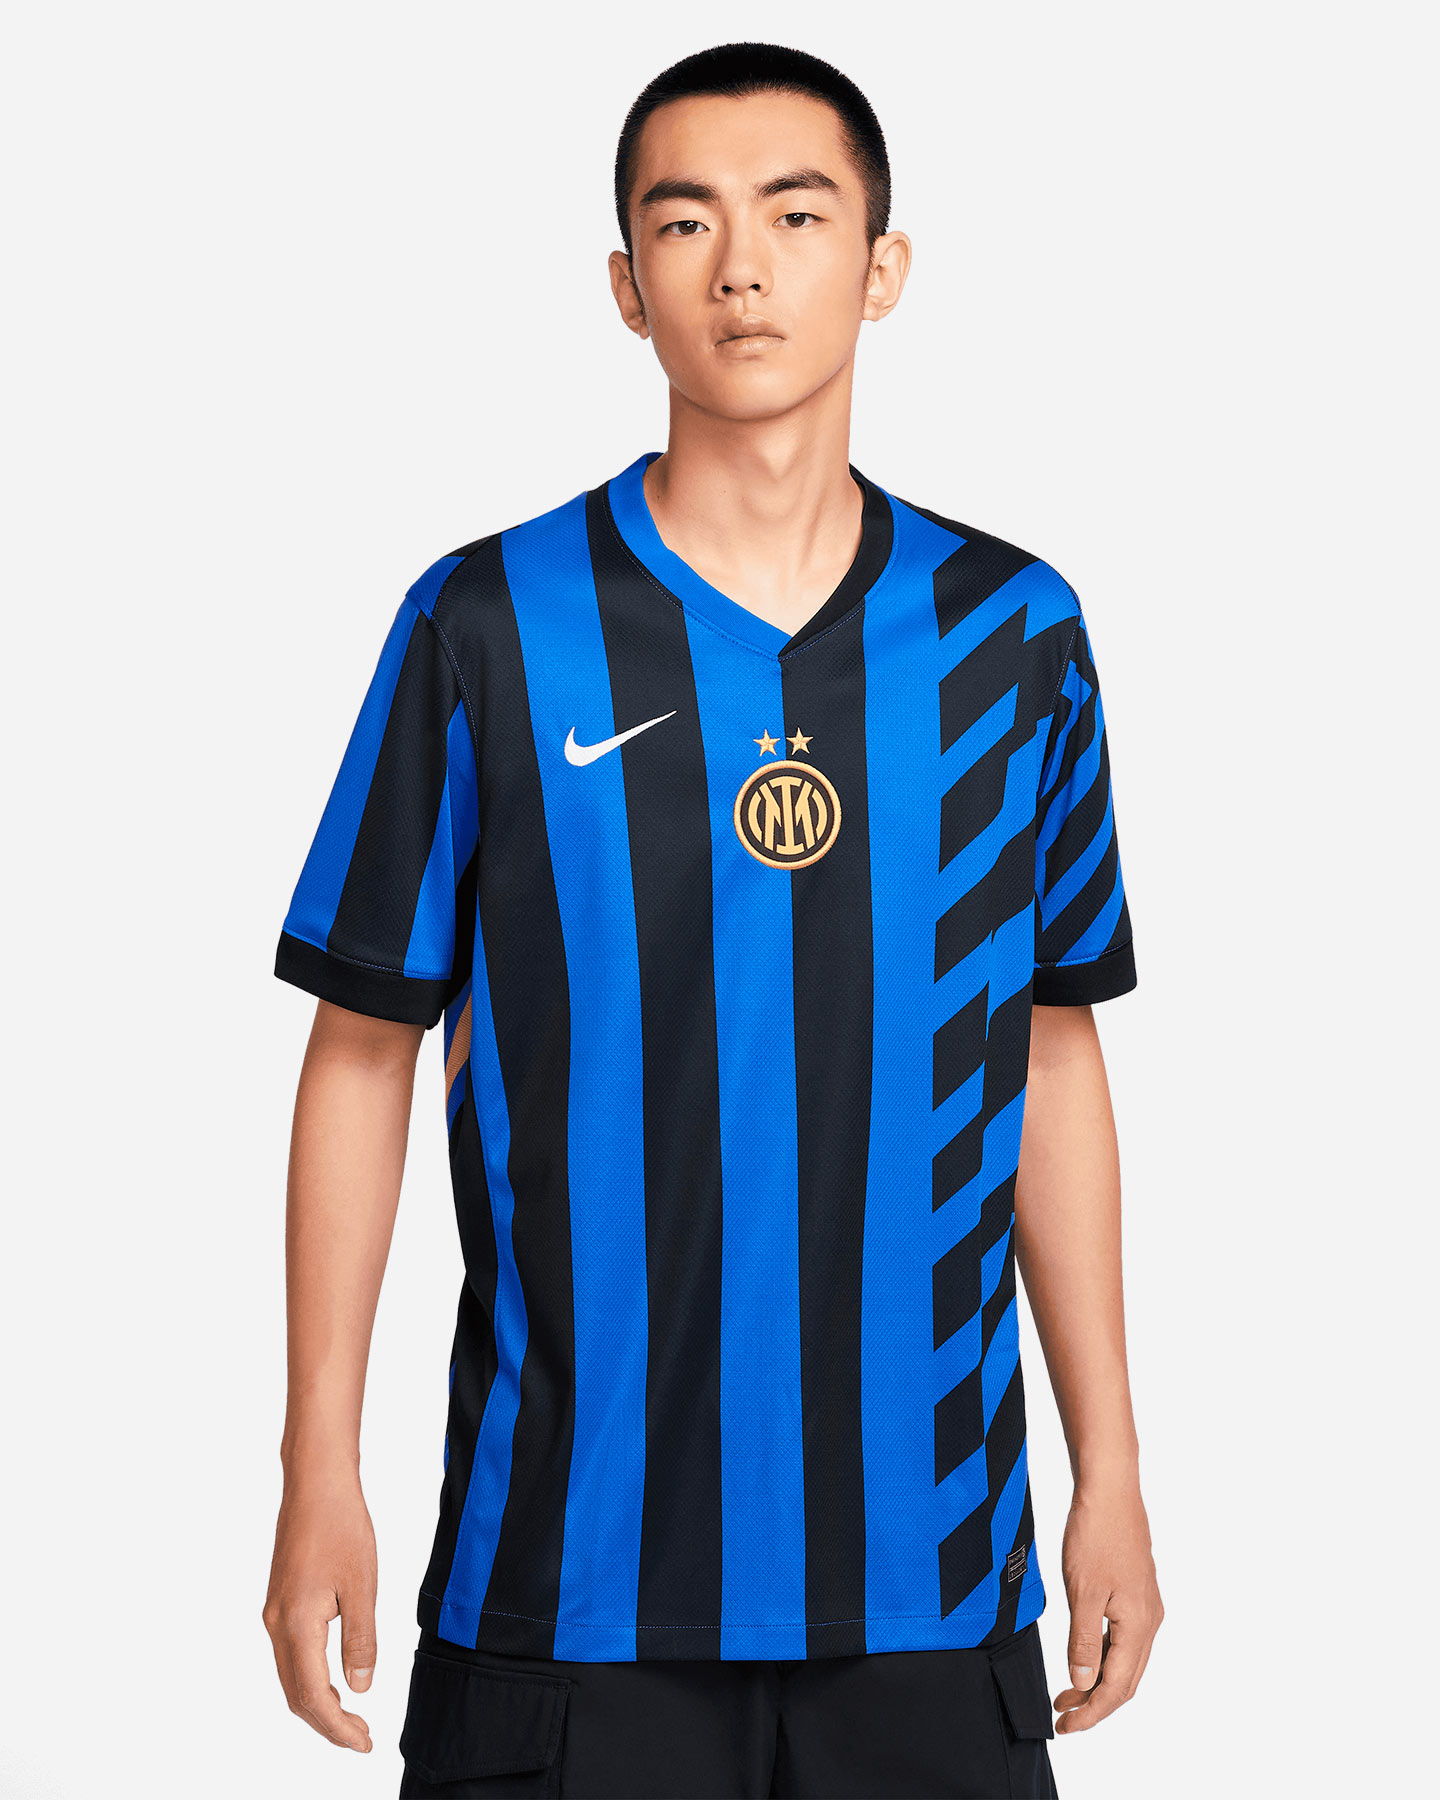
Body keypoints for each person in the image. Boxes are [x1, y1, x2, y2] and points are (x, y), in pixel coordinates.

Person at [263, 39, 1162, 1800]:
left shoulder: (1016, 635)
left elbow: (1049, 1048)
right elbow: (361, 1053)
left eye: (796, 215)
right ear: (627, 286)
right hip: (564, 1592)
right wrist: (316, 1465)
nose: (741, 266)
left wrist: (1111, 1463)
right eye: (685, 223)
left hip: (935, 1584)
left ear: (883, 267)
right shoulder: (488, 627)